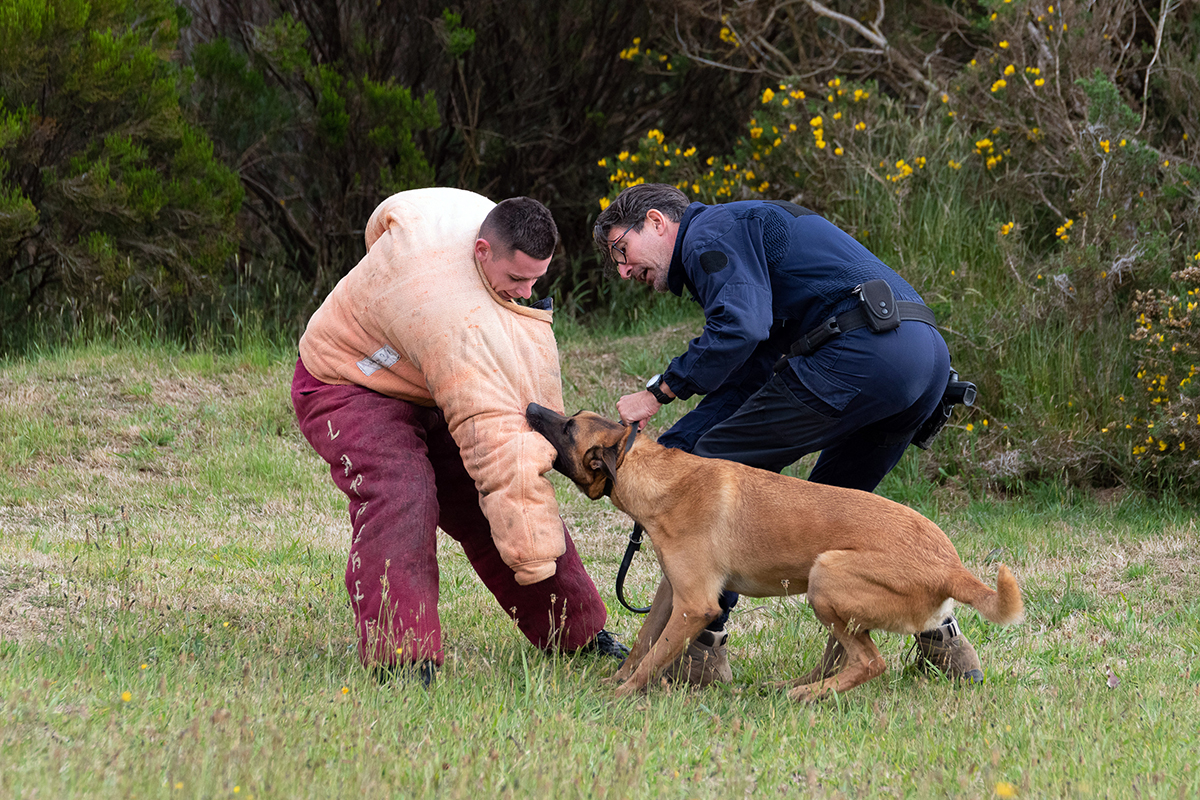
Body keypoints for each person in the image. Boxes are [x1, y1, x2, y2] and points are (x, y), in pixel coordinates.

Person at [593, 183, 983, 686]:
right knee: (837, 511)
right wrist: (680, 439)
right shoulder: (745, 235)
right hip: (921, 358)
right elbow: (753, 368)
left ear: (656, 221)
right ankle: (941, 639)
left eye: (622, 251)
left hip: (861, 353)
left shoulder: (708, 234)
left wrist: (661, 391)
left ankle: (701, 650)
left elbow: (739, 329)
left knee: (709, 480)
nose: (624, 272)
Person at [292, 187, 624, 685]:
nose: (526, 294)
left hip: (422, 379)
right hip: (345, 379)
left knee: (476, 499)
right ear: (481, 250)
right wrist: (532, 559)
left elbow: (390, 217)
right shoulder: (447, 315)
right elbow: (502, 454)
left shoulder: (488, 233)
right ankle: (401, 657)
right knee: (404, 490)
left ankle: (572, 632)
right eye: (516, 279)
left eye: (537, 280)